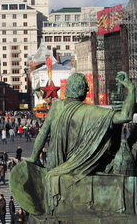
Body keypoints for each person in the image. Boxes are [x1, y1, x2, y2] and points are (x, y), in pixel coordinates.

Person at [28, 72, 135, 214]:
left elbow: (42, 134)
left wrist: (33, 159)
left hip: (56, 167)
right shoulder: (93, 112)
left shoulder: (56, 108)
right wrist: (131, 90)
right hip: (83, 167)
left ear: (67, 91)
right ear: (84, 92)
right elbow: (125, 116)